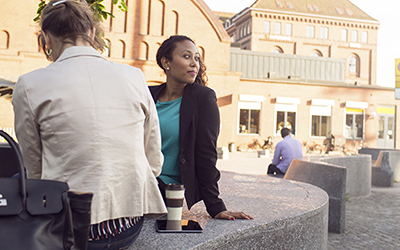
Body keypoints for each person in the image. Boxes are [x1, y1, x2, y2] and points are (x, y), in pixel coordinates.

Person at [12, 1, 167, 249]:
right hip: (127, 226)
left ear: (46, 39)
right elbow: (153, 153)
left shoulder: (30, 84)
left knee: (15, 178)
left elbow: (34, 165)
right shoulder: (134, 76)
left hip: (69, 226)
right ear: (92, 32)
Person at [149, 35, 253, 221]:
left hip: (166, 190)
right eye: (187, 56)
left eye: (197, 58)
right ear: (166, 62)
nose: (194, 64)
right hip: (139, 182)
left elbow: (206, 152)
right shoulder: (148, 95)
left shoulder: (203, 98)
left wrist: (215, 205)